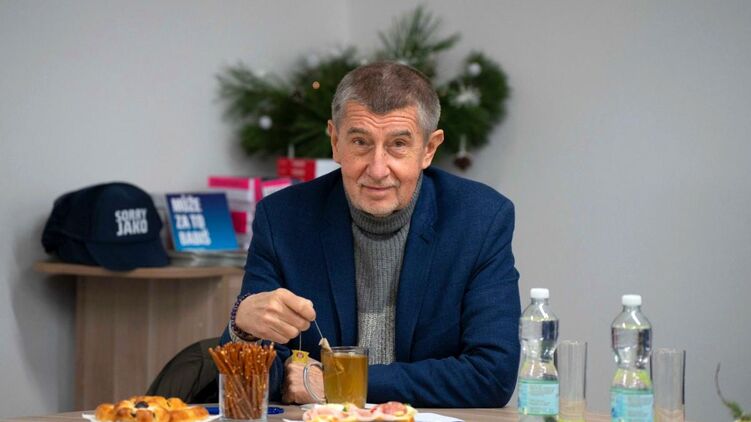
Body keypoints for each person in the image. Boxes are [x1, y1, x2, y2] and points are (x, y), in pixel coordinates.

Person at [220, 62, 520, 408]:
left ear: (429, 149)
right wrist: (243, 330)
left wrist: (339, 382)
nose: (377, 169)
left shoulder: (480, 220)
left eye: (398, 144)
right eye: (360, 142)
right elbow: (259, 383)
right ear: (335, 141)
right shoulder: (282, 219)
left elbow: (492, 374)